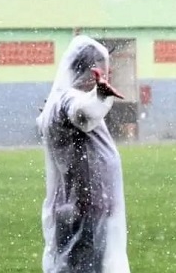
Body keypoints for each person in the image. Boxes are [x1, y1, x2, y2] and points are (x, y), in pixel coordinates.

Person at [36, 35, 130, 273]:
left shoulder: (60, 99)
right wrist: (100, 96)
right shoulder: (70, 98)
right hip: (85, 205)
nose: (106, 74)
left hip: (78, 203)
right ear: (89, 69)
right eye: (101, 68)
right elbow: (83, 113)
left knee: (74, 266)